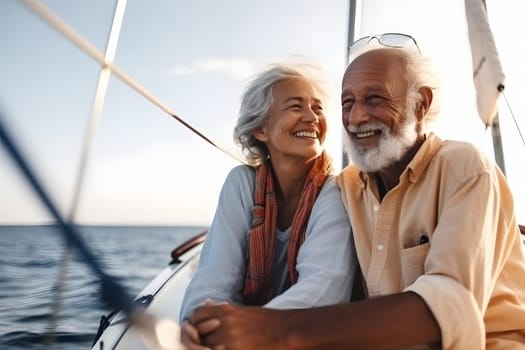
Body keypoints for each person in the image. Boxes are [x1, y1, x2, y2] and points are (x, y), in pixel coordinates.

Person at [188, 34, 525, 349]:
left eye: (375, 98)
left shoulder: (464, 167)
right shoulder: (349, 187)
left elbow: (451, 301)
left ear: (420, 104)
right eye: (347, 103)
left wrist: (273, 329)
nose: (357, 116)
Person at [179, 61, 357, 348]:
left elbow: (324, 290)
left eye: (318, 107)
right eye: (296, 107)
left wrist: (245, 328)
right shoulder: (241, 183)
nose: (312, 117)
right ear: (261, 129)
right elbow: (215, 276)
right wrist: (198, 320)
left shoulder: (336, 191)